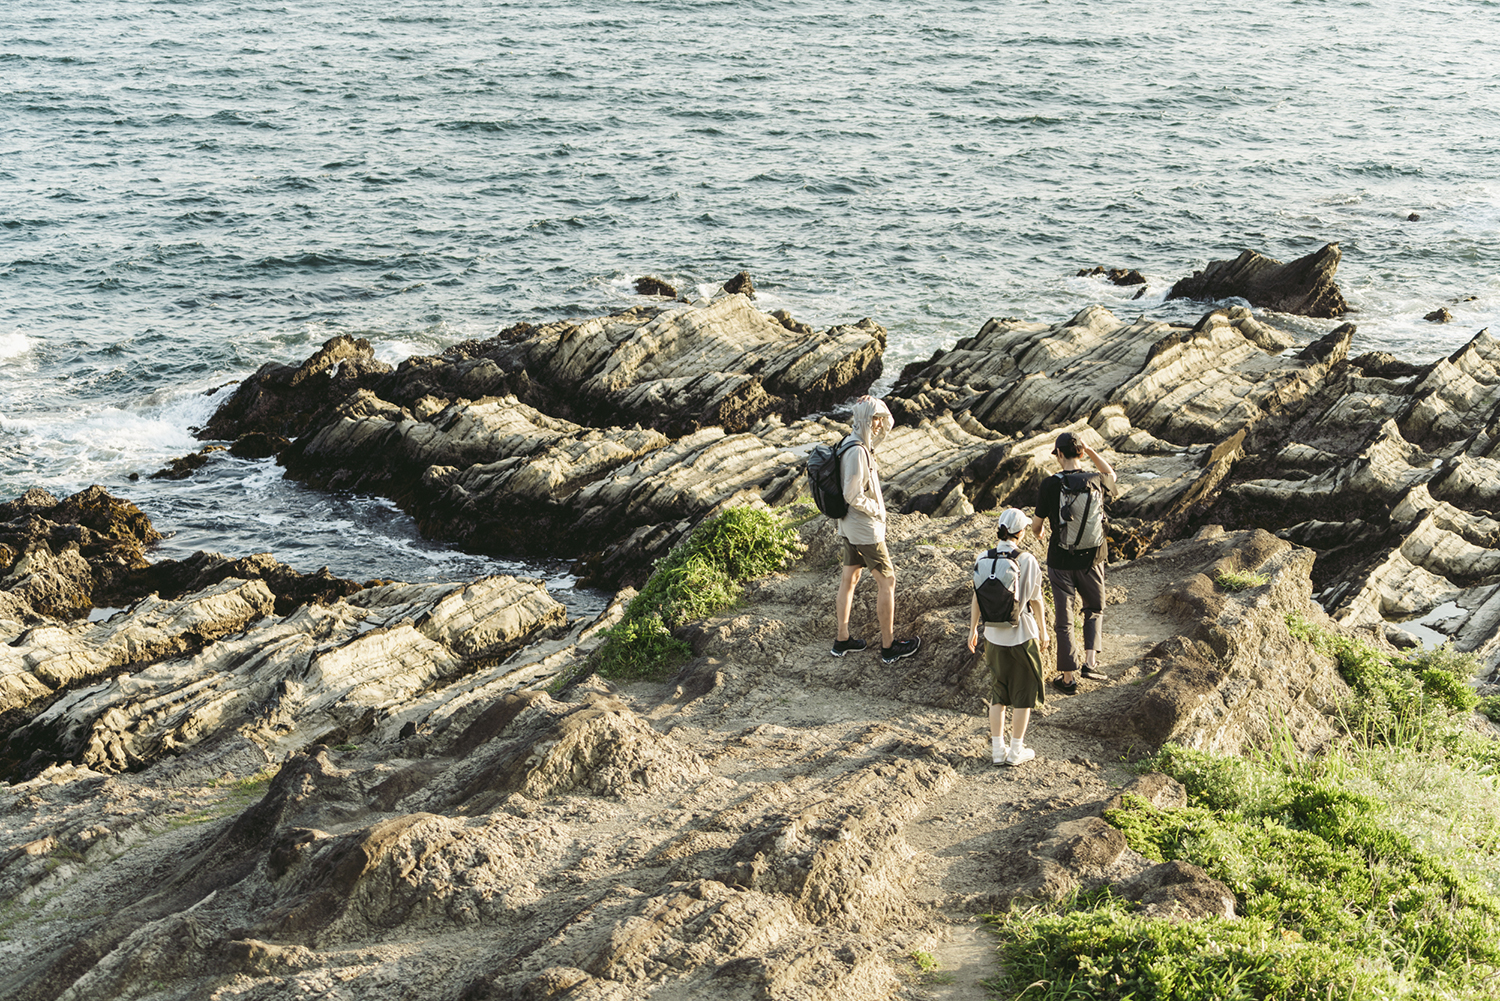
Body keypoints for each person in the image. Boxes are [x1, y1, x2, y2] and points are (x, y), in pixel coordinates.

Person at [830, 396, 921, 665]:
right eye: (874, 418)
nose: (879, 423)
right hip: (864, 529)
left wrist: (876, 403)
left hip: (849, 525)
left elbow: (890, 422)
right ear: (864, 420)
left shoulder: (855, 441)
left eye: (878, 418)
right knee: (887, 582)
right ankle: (889, 647)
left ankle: (842, 639)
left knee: (850, 579)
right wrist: (877, 510)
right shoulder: (859, 451)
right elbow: (851, 494)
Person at [1030, 431, 1116, 695]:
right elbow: (1112, 475)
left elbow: (1036, 525)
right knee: (1094, 608)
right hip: (1093, 557)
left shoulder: (1050, 484)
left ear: (1058, 454)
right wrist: (1090, 452)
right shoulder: (1096, 479)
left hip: (1061, 561)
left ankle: (1068, 678)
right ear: (1079, 452)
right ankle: (1090, 661)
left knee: (1064, 619)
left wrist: (1041, 532)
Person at [968, 508, 1048, 766]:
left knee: (998, 693)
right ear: (1021, 531)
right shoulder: (1027, 559)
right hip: (1022, 633)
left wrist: (973, 629)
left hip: (992, 634)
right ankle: (1015, 750)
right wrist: (1044, 631)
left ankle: (996, 750)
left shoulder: (983, 557)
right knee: (1023, 693)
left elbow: (977, 597)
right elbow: (1035, 600)